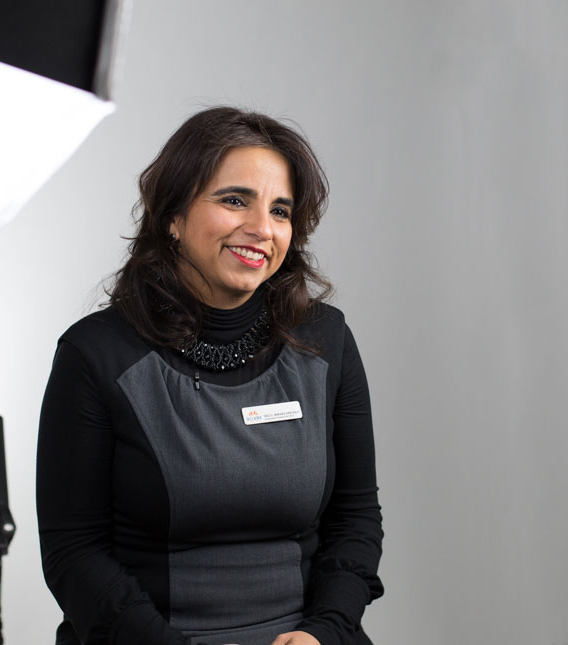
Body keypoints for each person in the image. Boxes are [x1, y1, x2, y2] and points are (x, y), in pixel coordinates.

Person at [36, 106, 384, 645]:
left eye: (281, 210)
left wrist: (326, 630)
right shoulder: (95, 354)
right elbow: (73, 554)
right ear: (172, 217)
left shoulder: (326, 340)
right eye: (235, 200)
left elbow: (356, 520)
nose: (262, 229)